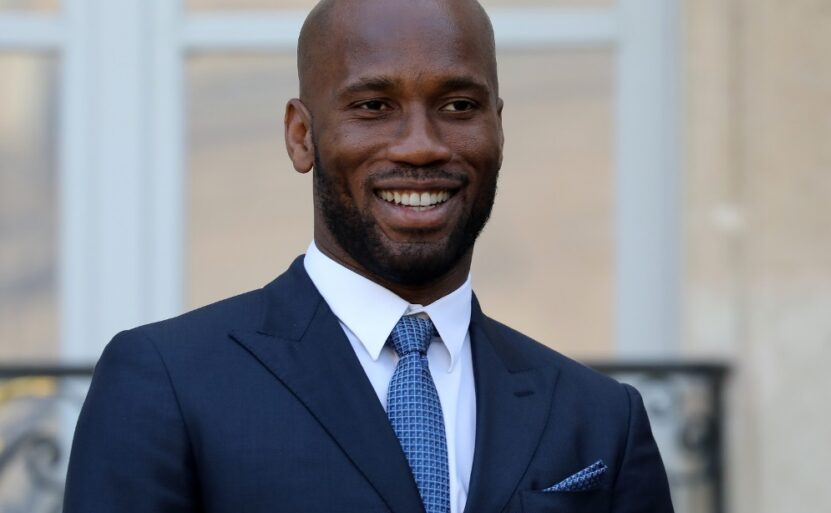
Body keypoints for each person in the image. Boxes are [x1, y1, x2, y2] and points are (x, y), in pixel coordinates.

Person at [63, 0, 674, 512]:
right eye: (373, 106)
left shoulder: (601, 418)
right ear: (301, 136)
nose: (421, 146)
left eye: (458, 106)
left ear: (499, 128)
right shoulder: (166, 382)